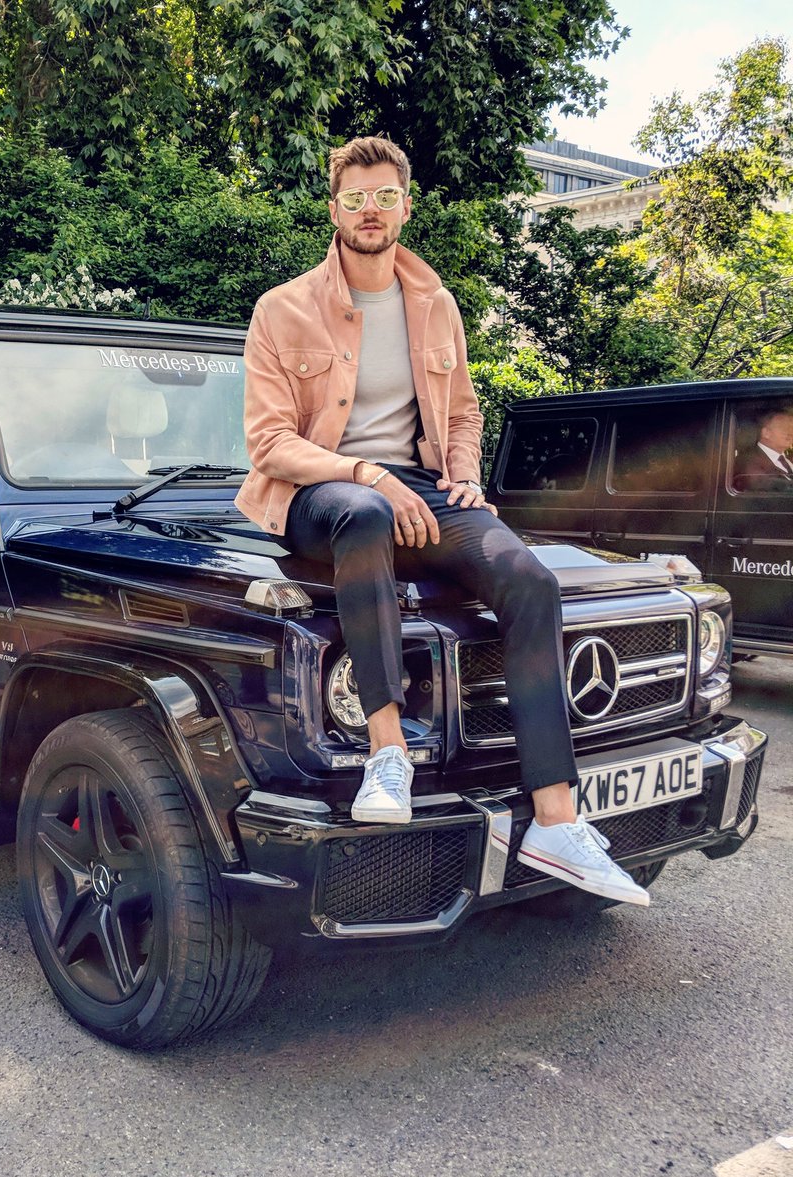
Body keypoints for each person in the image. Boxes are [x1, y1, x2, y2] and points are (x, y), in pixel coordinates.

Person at [235, 135, 649, 907]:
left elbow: (462, 410)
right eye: (355, 197)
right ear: (334, 208)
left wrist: (461, 477)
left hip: (423, 489)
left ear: (405, 205)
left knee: (528, 578)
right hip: (321, 495)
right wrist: (366, 472)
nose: (370, 210)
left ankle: (556, 819)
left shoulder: (435, 304)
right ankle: (387, 751)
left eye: (384, 196)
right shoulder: (283, 308)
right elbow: (270, 445)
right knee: (362, 513)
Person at [734, 407, 793, 492]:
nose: (790, 432)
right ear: (766, 433)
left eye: (791, 427)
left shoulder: (788, 459)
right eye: (783, 427)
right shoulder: (747, 462)